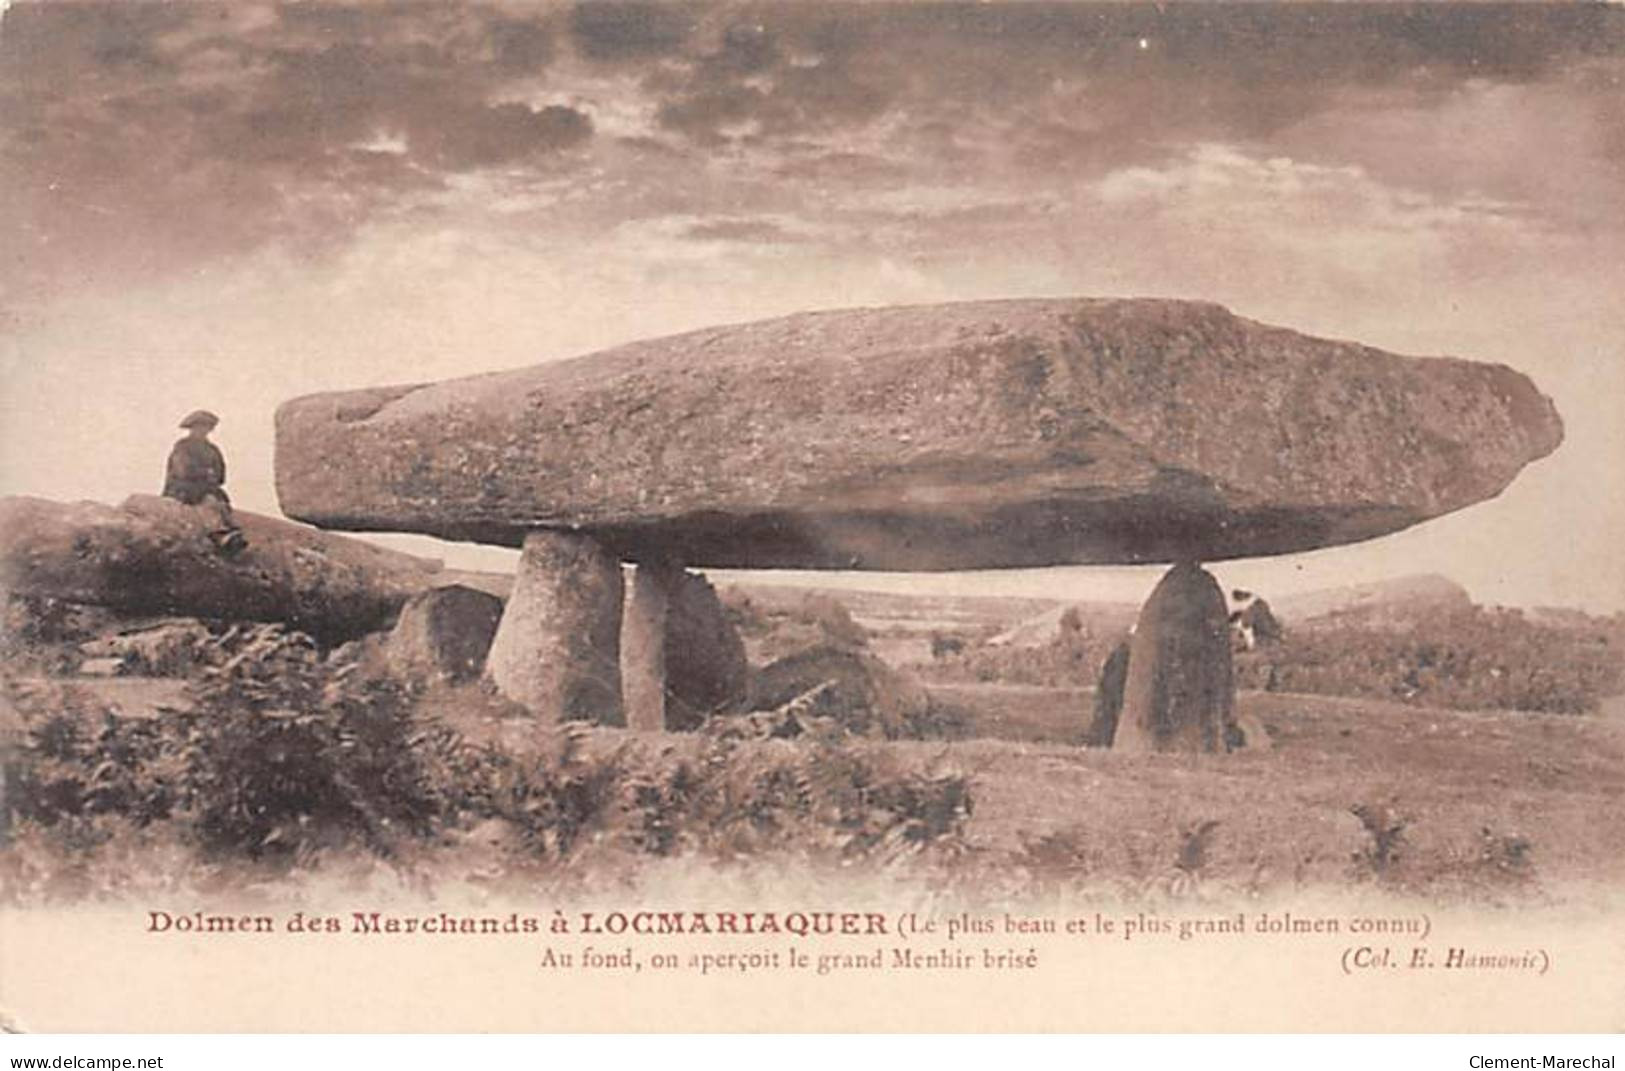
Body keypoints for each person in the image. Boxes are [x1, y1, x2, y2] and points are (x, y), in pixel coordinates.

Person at [163, 410, 247, 554]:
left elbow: (221, 474)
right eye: (200, 427)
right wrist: (205, 473)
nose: (203, 430)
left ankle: (233, 533)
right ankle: (218, 533)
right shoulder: (183, 446)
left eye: (206, 427)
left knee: (221, 503)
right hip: (184, 487)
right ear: (192, 427)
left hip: (207, 487)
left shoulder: (212, 449)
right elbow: (182, 470)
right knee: (209, 502)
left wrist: (212, 476)